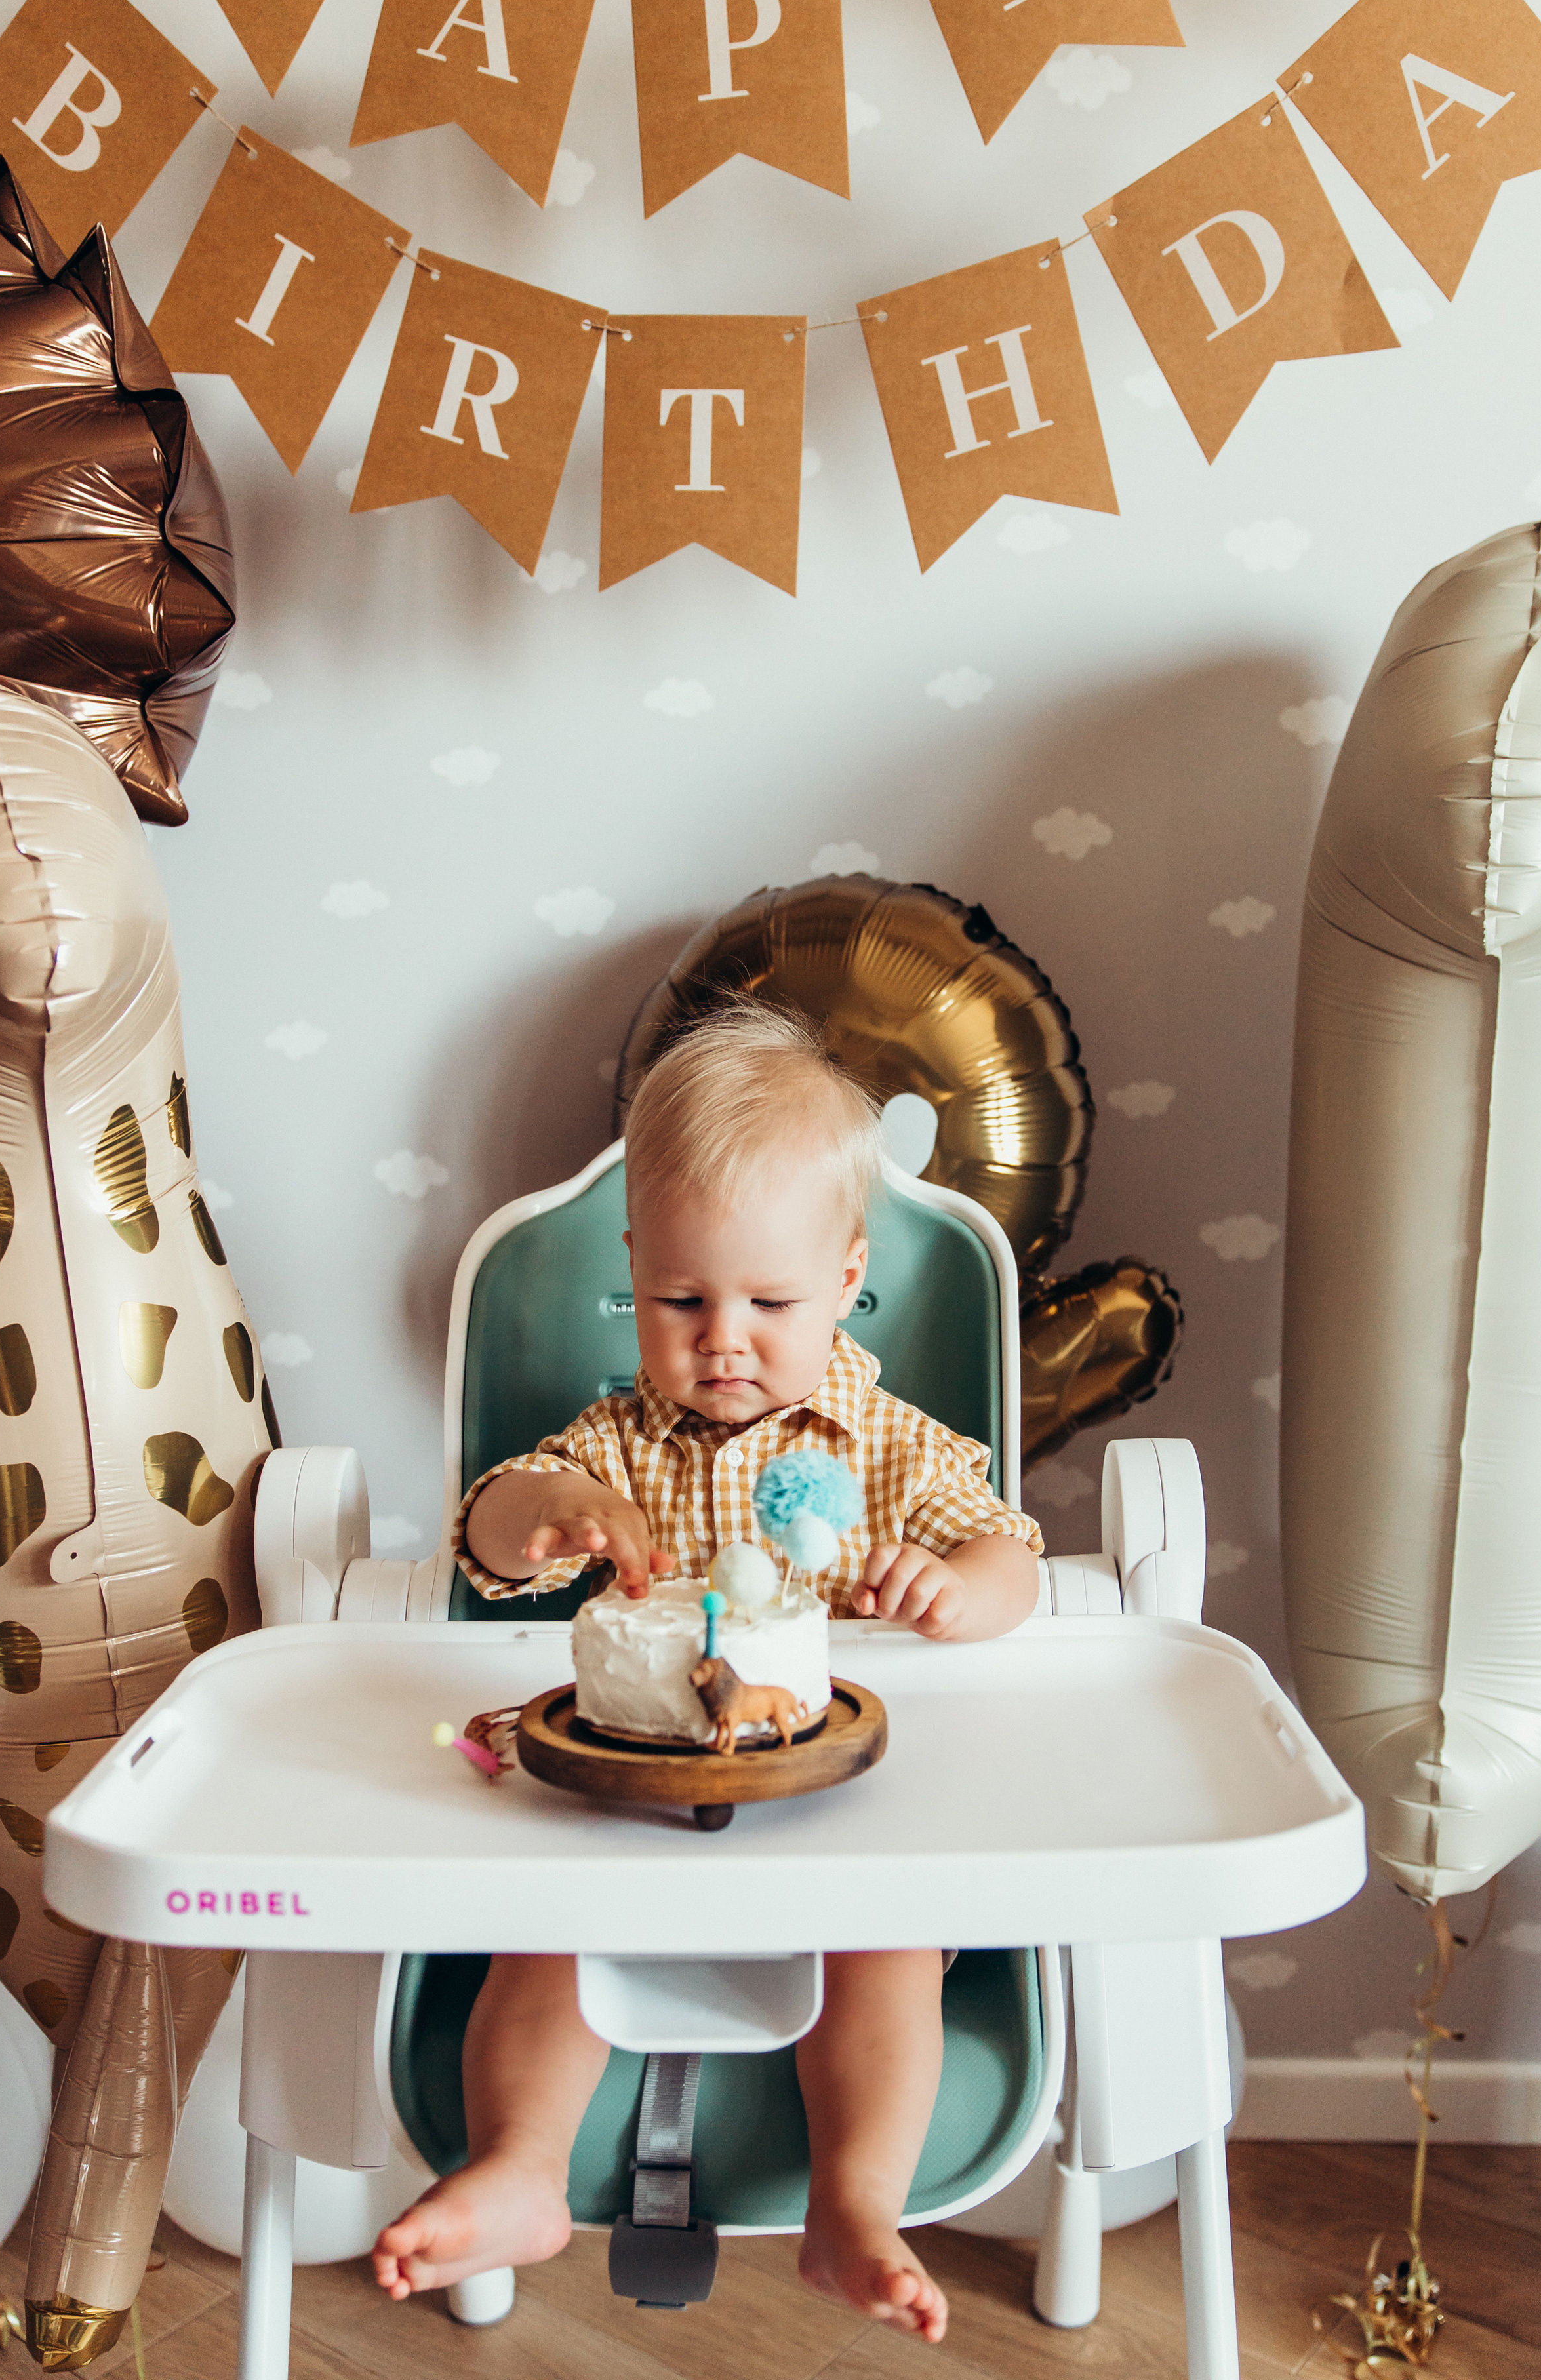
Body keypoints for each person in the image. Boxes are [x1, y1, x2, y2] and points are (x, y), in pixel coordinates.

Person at [373, 1002, 1043, 2343]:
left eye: (768, 1302)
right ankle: (517, 2169)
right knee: (538, 1932)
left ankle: (854, 2208)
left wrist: (948, 1589)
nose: (721, 1338)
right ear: (634, 1269)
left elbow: (1007, 1554)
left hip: (837, 1803)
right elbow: (489, 1528)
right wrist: (549, 1507)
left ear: (848, 1277)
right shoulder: (618, 1446)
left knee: (892, 1954)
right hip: (627, 1800)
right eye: (680, 1299)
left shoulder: (887, 1447)